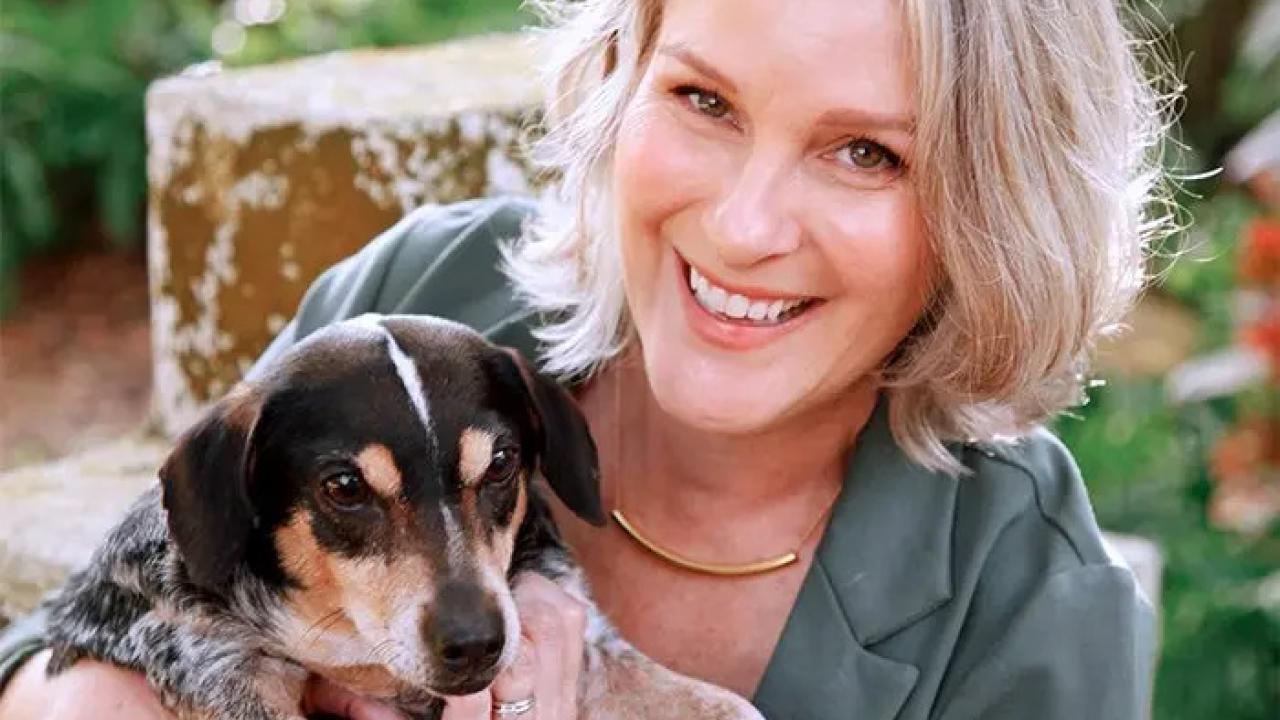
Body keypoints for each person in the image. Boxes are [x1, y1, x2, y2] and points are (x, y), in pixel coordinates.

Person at [0, 0, 1176, 717]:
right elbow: (90, 630)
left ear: (992, 210)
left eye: (866, 152)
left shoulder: (1032, 612)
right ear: (620, 80)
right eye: (703, 100)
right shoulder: (424, 301)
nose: (742, 226)